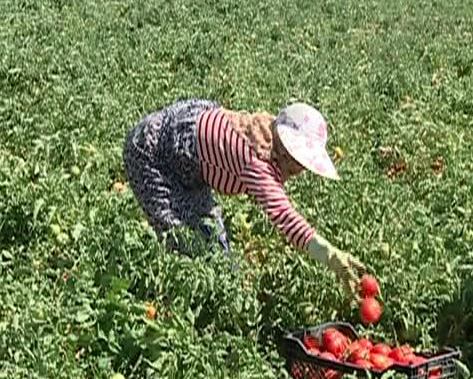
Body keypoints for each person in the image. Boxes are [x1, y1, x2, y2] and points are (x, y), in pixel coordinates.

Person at [123, 98, 367, 301]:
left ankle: (218, 299)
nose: (302, 168)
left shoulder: (265, 132)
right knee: (185, 245)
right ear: (287, 148)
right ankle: (169, 306)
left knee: (216, 251)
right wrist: (331, 255)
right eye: (299, 160)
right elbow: (284, 217)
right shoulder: (255, 161)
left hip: (184, 154)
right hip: (153, 159)